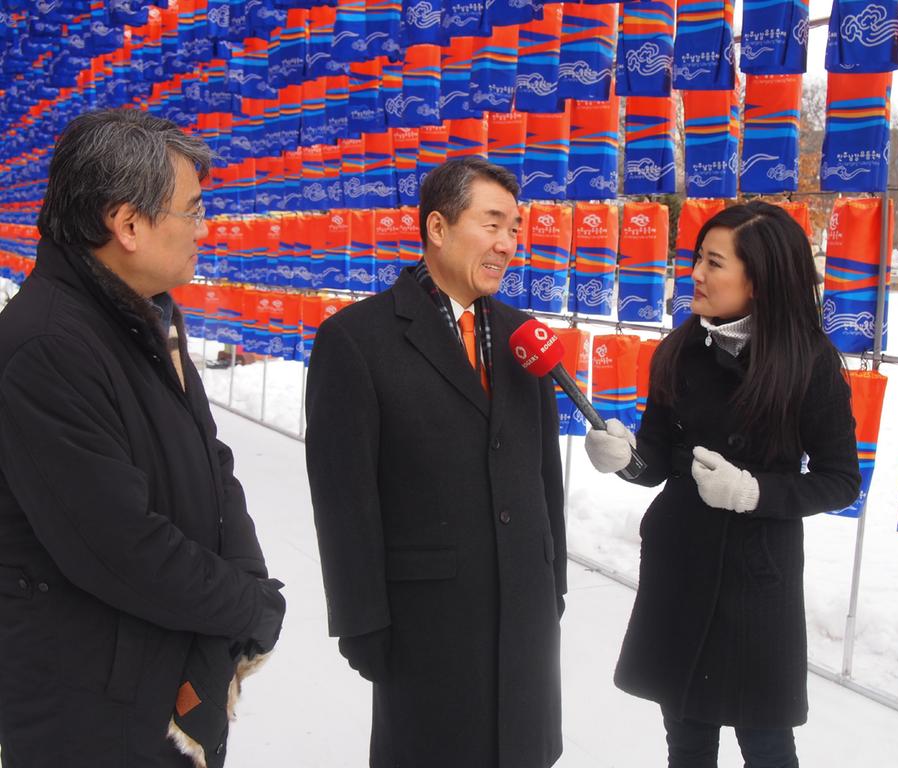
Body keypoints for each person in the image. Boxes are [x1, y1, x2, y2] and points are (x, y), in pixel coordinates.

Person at [0, 109, 286, 768]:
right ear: (126, 224)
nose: (203, 230)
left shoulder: (143, 316)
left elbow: (212, 462)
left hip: (163, 681)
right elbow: (117, 545)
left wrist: (250, 583)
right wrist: (246, 605)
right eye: (191, 211)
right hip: (95, 713)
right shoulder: (47, 348)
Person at [305, 157, 566, 768]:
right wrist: (360, 618)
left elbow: (542, 474)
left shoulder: (524, 334)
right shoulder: (356, 340)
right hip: (427, 623)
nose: (508, 244)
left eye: (516, 228)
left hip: (525, 618)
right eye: (493, 223)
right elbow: (344, 498)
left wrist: (550, 583)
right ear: (438, 228)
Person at [584, 201, 860, 768]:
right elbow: (658, 460)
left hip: (756, 579)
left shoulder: (808, 364)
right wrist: (625, 458)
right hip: (679, 564)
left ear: (759, 279)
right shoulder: (680, 349)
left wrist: (753, 493)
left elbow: (840, 480)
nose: (696, 275)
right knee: (685, 737)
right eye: (696, 259)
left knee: (766, 742)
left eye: (713, 263)